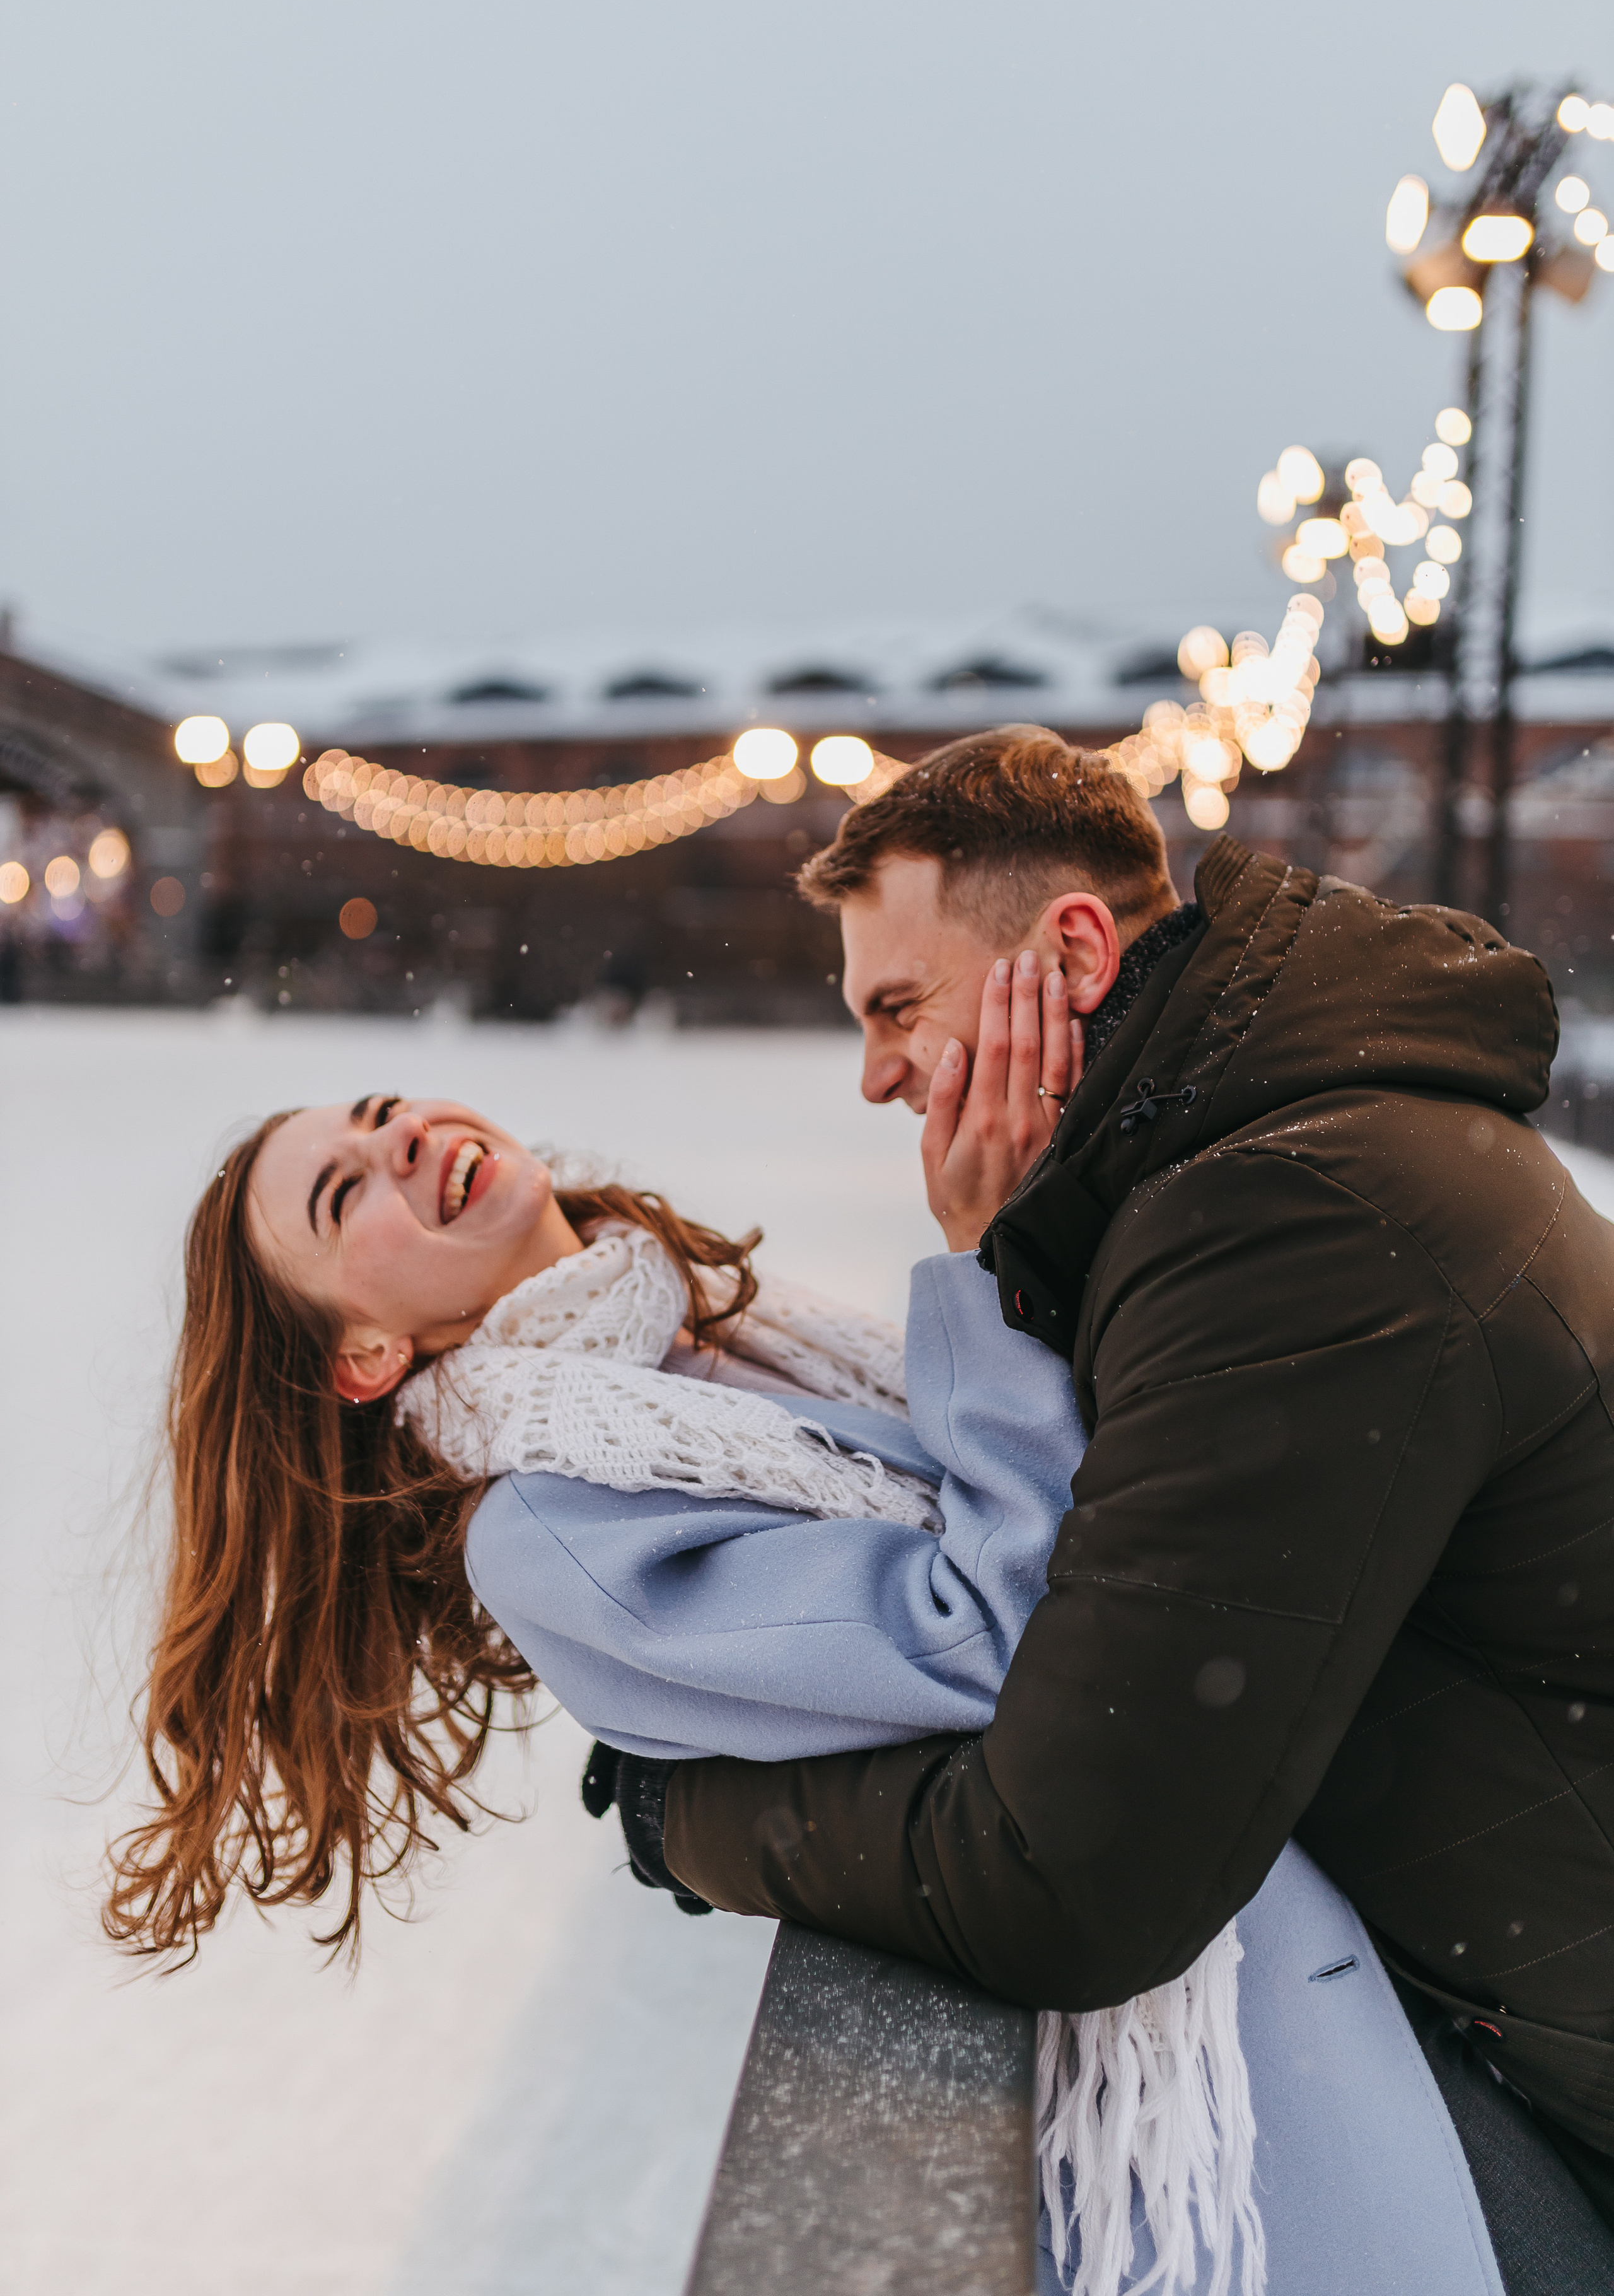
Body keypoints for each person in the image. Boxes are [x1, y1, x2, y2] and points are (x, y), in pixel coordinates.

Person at [109, 1076, 1501, 2290]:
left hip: (1342, 1870)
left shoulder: (728, 1335)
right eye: (345, 1192)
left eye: (379, 1114)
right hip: (1231, 2049)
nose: (401, 1140)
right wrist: (978, 1265)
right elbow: (998, 1638)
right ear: (363, 1356)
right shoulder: (552, 1530)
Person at [576, 723, 1614, 2289]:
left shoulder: (1286, 1224)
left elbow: (1070, 1873)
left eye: (896, 1008)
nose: (872, 1076)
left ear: (1067, 953)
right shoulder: (1269, 1162)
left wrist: (686, 1816)